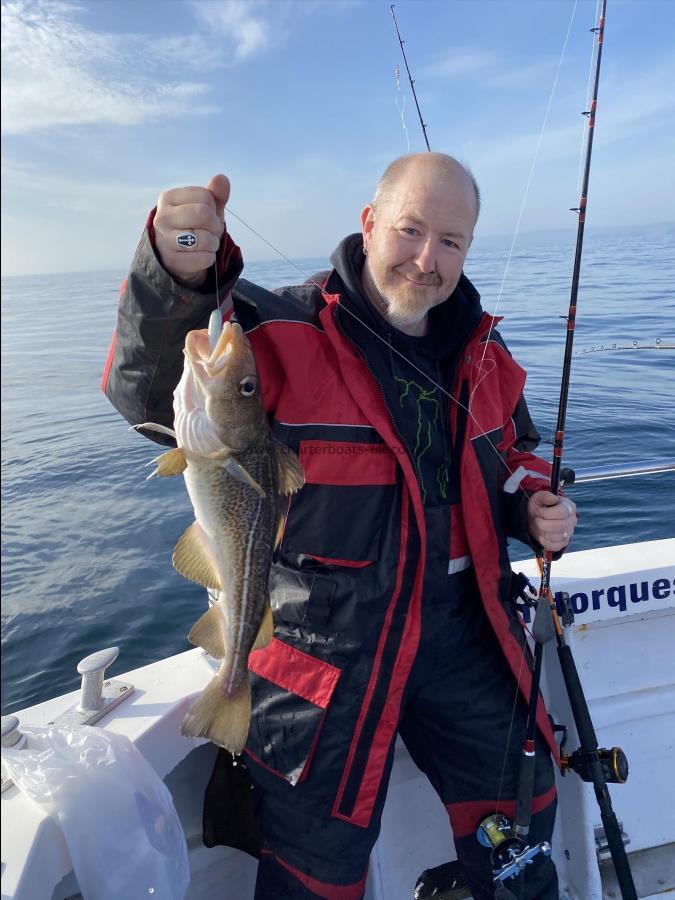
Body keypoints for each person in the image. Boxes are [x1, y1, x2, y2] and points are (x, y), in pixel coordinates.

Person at [103, 152, 578, 900]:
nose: (426, 259)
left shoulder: (485, 348)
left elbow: (511, 455)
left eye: (450, 241)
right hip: (321, 644)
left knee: (520, 821)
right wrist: (177, 274)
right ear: (368, 223)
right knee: (310, 866)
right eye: (410, 230)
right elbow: (151, 396)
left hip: (467, 633)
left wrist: (533, 507)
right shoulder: (279, 325)